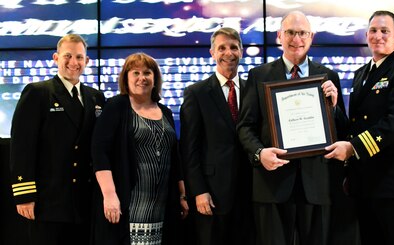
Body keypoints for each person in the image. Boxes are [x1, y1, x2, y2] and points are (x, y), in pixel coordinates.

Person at [237, 11, 345, 245]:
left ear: (311, 37)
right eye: (290, 32)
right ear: (279, 36)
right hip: (272, 183)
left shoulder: (328, 77)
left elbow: (342, 130)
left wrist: (334, 108)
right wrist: (259, 153)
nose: (297, 39)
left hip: (317, 184)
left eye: (302, 33)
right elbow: (245, 127)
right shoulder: (258, 76)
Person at [324, 10, 394, 245]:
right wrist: (335, 108)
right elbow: (355, 125)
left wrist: (352, 148)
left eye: (384, 31)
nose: (378, 36)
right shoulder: (361, 74)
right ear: (366, 35)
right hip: (365, 183)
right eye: (373, 31)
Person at [9, 34, 106, 245]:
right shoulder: (38, 93)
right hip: (49, 200)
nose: (74, 62)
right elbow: (22, 147)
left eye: (79, 57)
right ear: (55, 58)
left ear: (87, 61)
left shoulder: (96, 97)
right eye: (68, 56)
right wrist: (24, 195)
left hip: (85, 200)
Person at [91, 52, 188, 245]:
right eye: (135, 72)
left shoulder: (166, 112)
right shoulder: (116, 106)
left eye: (147, 72)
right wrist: (109, 195)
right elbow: (99, 151)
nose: (142, 78)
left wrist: (183, 195)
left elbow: (175, 158)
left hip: (161, 205)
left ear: (155, 78)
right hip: (128, 204)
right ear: (126, 78)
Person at [180, 27, 254, 245]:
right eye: (221, 48)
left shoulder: (254, 89)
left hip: (251, 192)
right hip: (212, 194)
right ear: (212, 53)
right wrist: (199, 191)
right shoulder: (197, 93)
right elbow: (189, 148)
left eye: (233, 47)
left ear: (241, 51)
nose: (228, 53)